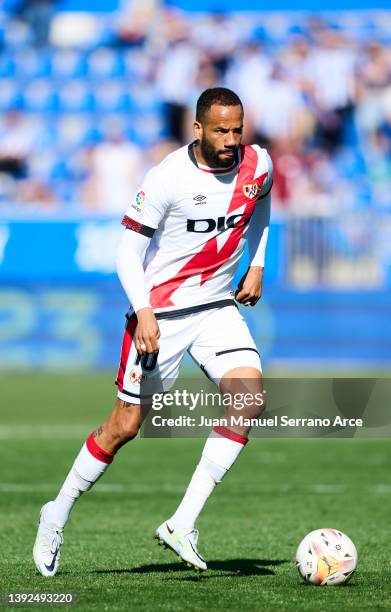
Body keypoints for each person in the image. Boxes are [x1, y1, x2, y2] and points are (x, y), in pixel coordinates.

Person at [33, 87, 273, 576]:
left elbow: (261, 205)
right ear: (199, 129)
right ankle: (55, 513)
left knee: (249, 398)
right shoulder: (168, 177)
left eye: (237, 130)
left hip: (215, 309)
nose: (231, 140)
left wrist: (257, 263)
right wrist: (143, 310)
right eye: (221, 130)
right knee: (123, 427)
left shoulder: (259, 165)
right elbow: (126, 250)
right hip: (161, 317)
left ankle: (182, 523)